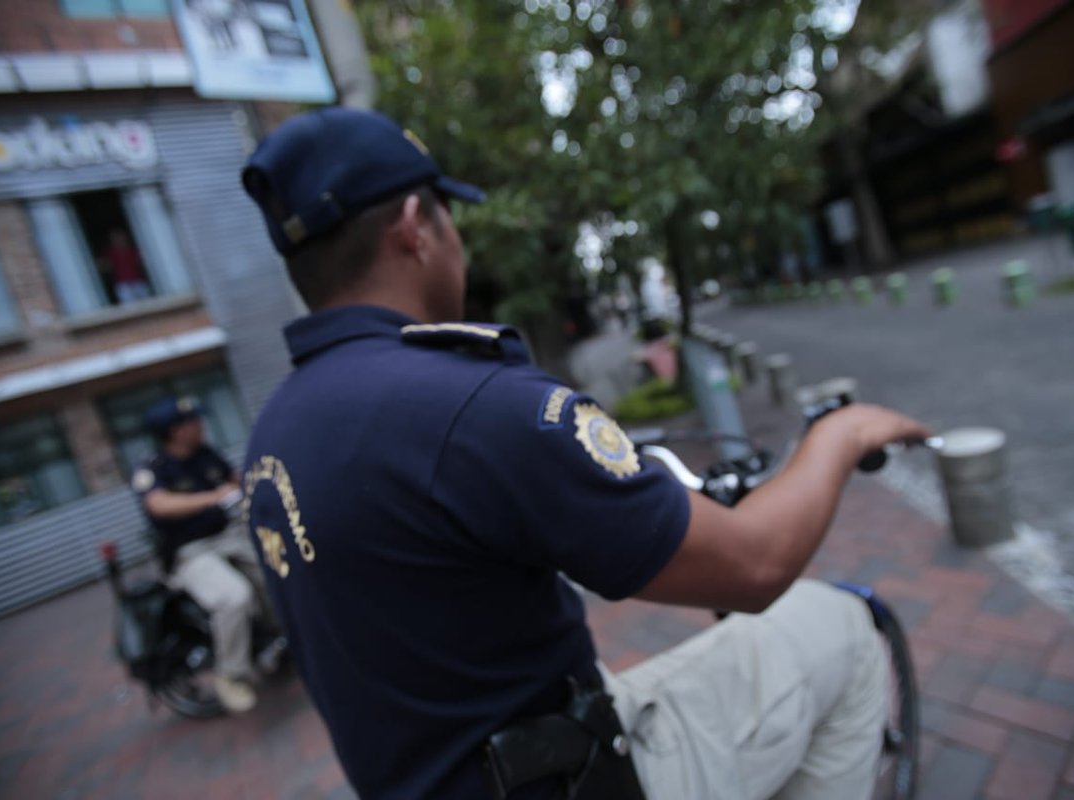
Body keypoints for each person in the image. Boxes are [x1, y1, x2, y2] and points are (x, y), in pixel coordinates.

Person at [239, 107, 929, 799]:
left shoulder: (272, 435)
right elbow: (754, 565)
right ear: (415, 226)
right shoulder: (469, 403)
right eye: (451, 218)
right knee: (841, 630)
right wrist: (841, 435)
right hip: (582, 782)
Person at [132, 396, 275, 713]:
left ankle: (278, 642)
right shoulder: (153, 467)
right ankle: (231, 675)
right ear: (176, 431)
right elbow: (157, 504)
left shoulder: (205, 454)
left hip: (228, 537)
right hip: (189, 553)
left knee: (278, 570)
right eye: (193, 421)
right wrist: (212, 497)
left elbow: (238, 481)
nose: (200, 425)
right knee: (233, 597)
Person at [98, 228, 151, 305]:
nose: (119, 240)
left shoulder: (132, 250)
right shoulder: (110, 253)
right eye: (115, 238)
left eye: (120, 237)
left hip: (137, 280)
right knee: (130, 306)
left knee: (148, 303)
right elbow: (104, 266)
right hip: (122, 284)